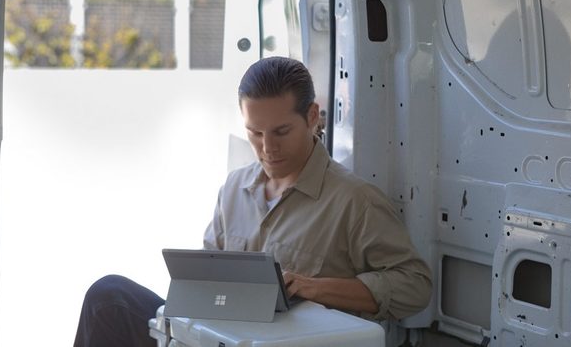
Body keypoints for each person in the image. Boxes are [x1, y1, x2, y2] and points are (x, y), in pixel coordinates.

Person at [73, 57, 432, 347]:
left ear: (311, 118)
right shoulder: (234, 188)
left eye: (281, 132)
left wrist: (311, 287)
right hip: (217, 338)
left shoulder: (355, 201)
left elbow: (415, 286)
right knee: (108, 296)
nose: (267, 148)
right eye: (255, 133)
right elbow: (206, 280)